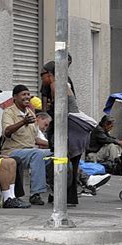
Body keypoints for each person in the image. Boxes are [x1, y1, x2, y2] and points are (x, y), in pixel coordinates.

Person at [40, 59, 94, 206]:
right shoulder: (64, 83)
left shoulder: (55, 85)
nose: (41, 79)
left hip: (70, 130)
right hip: (76, 130)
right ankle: (69, 198)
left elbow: (60, 111)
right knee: (71, 164)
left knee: (62, 162)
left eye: (42, 75)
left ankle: (61, 196)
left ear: (50, 74)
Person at [1, 85, 53, 206]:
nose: (27, 97)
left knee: (56, 154)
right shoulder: (9, 112)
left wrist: (53, 145)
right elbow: (7, 132)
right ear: (15, 97)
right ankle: (35, 194)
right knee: (37, 154)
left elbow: (35, 138)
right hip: (13, 152)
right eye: (23, 94)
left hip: (30, 151)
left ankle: (55, 192)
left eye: (28, 94)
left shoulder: (30, 112)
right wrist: (22, 122)